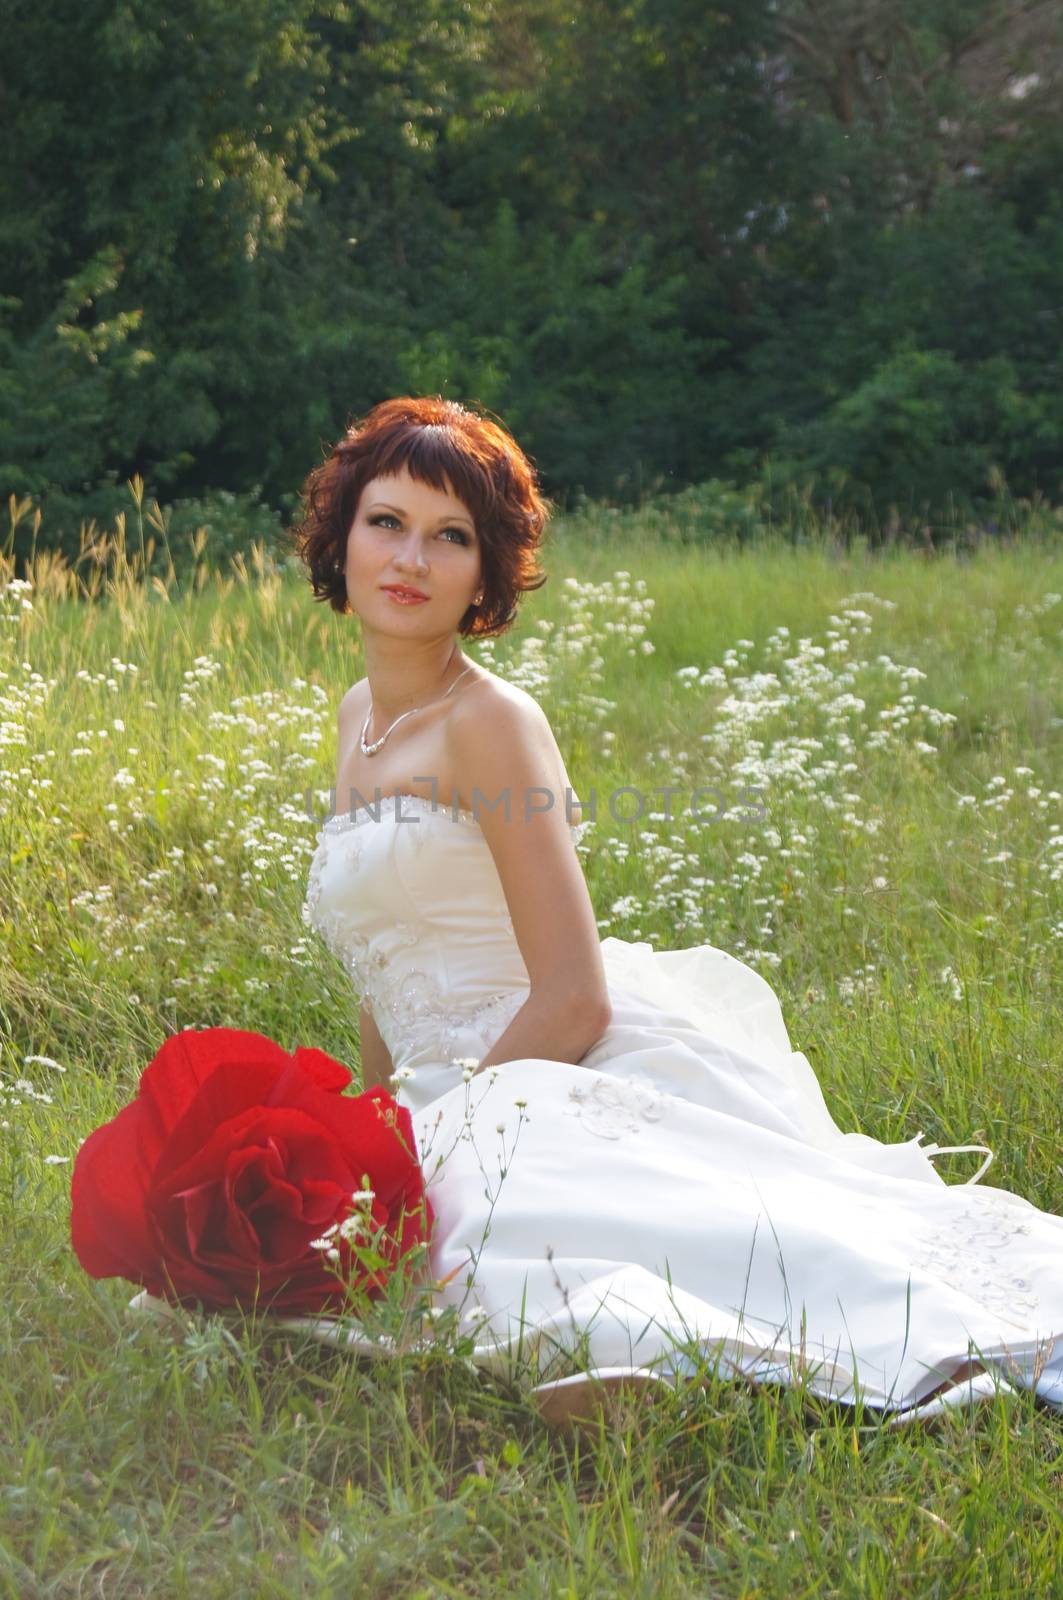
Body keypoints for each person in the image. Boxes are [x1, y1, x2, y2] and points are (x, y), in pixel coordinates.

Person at [291, 395, 1063, 1428]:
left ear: (485, 574)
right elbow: (387, 960)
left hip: (538, 1068)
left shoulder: (491, 724)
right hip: (442, 1092)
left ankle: (667, 1360)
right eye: (386, 521)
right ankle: (627, 1356)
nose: (410, 560)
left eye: (451, 538)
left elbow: (573, 996)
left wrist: (451, 1127)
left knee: (511, 1223)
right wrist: (373, 1130)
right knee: (330, 1246)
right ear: (340, 534)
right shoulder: (358, 719)